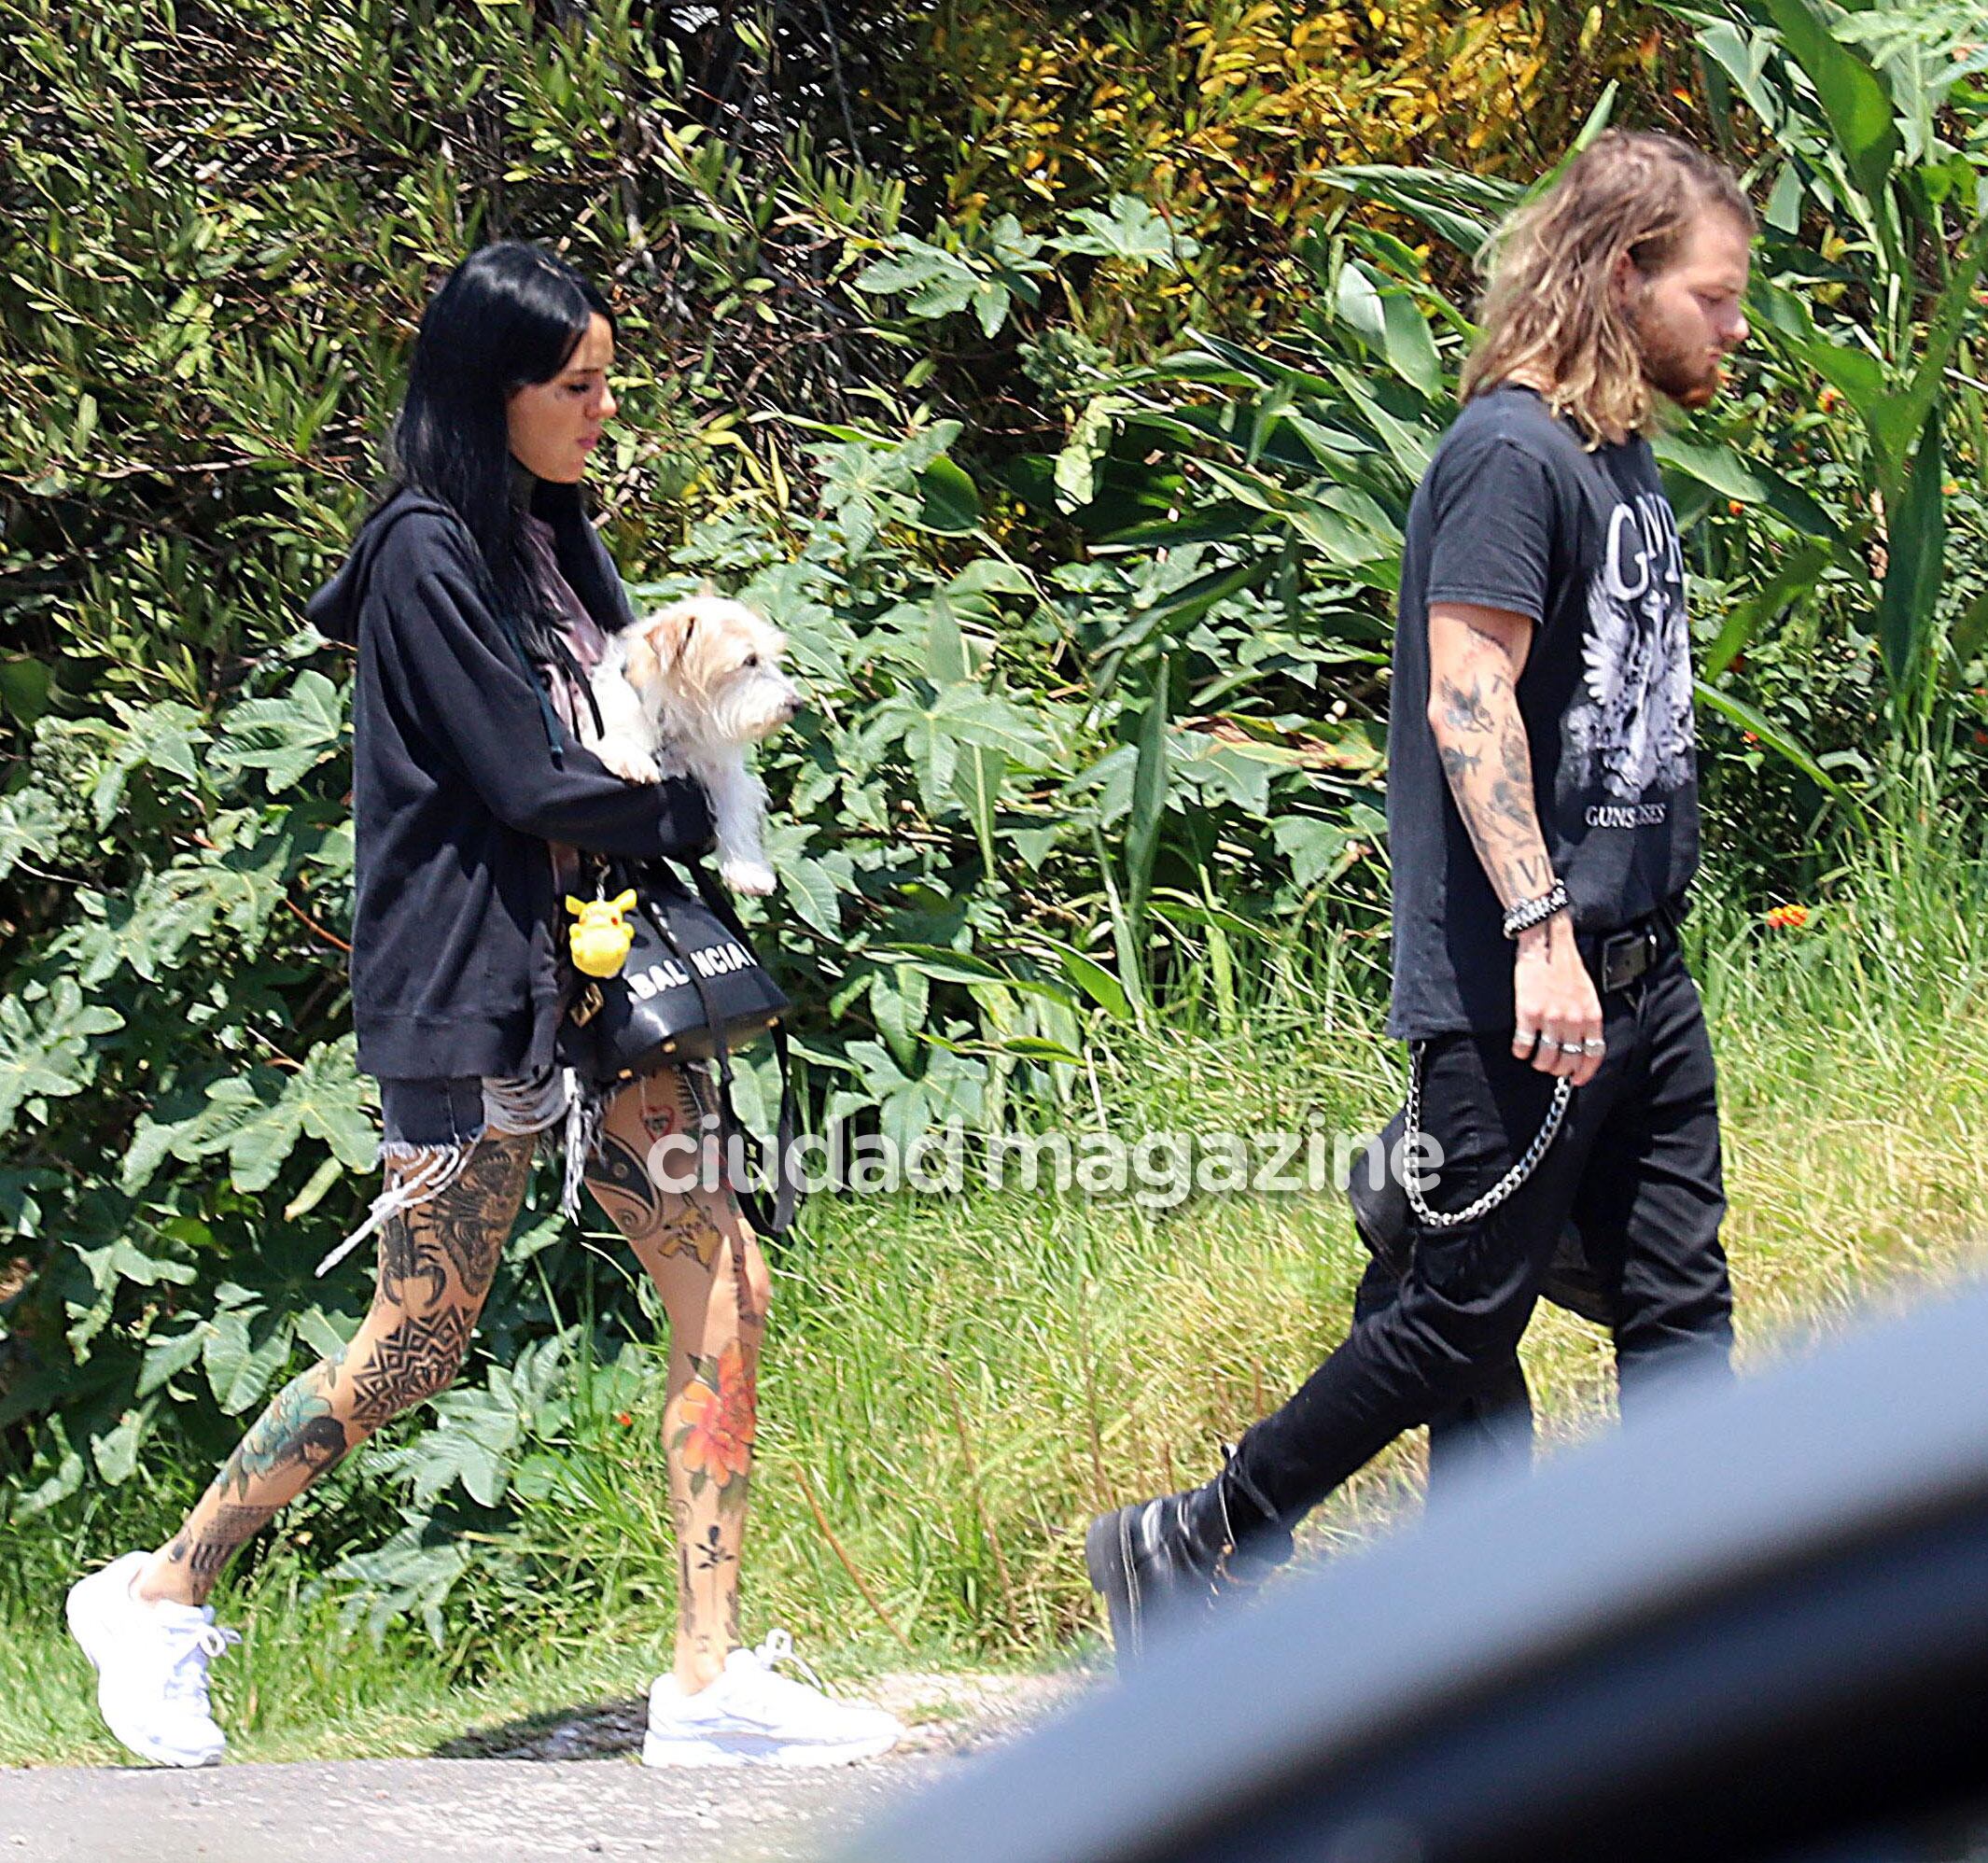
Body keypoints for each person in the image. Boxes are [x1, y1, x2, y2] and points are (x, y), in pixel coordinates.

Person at [65, 242, 902, 1770]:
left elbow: (630, 727)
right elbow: (529, 782)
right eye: (573, 387)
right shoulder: (423, 553)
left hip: (599, 981)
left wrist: (690, 793)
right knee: (417, 1344)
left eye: (603, 381)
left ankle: (707, 1686)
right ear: (490, 388)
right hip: (466, 989)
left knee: (725, 1285)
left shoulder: (552, 535)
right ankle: (164, 1590)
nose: (600, 412)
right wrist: (697, 821)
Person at [1085, 132, 1751, 1659]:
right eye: (1712, 298)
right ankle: (1193, 1536)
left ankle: (1696, 1634)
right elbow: (1469, 700)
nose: (1732, 329)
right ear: (1621, 274)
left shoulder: (1616, 455)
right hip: (1530, 977)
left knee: (1676, 1305)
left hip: (1644, 971)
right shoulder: (1510, 457)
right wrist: (1538, 934)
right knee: (1460, 1306)